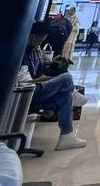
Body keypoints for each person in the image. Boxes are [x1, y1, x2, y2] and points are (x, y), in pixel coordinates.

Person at [22, 23, 87, 151]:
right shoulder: (22, 52)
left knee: (65, 97)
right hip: (28, 92)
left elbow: (40, 73)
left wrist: (50, 73)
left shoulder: (35, 52)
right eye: (40, 40)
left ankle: (66, 136)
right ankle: (73, 93)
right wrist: (54, 81)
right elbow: (27, 82)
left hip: (35, 91)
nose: (40, 44)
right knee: (66, 78)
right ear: (33, 37)